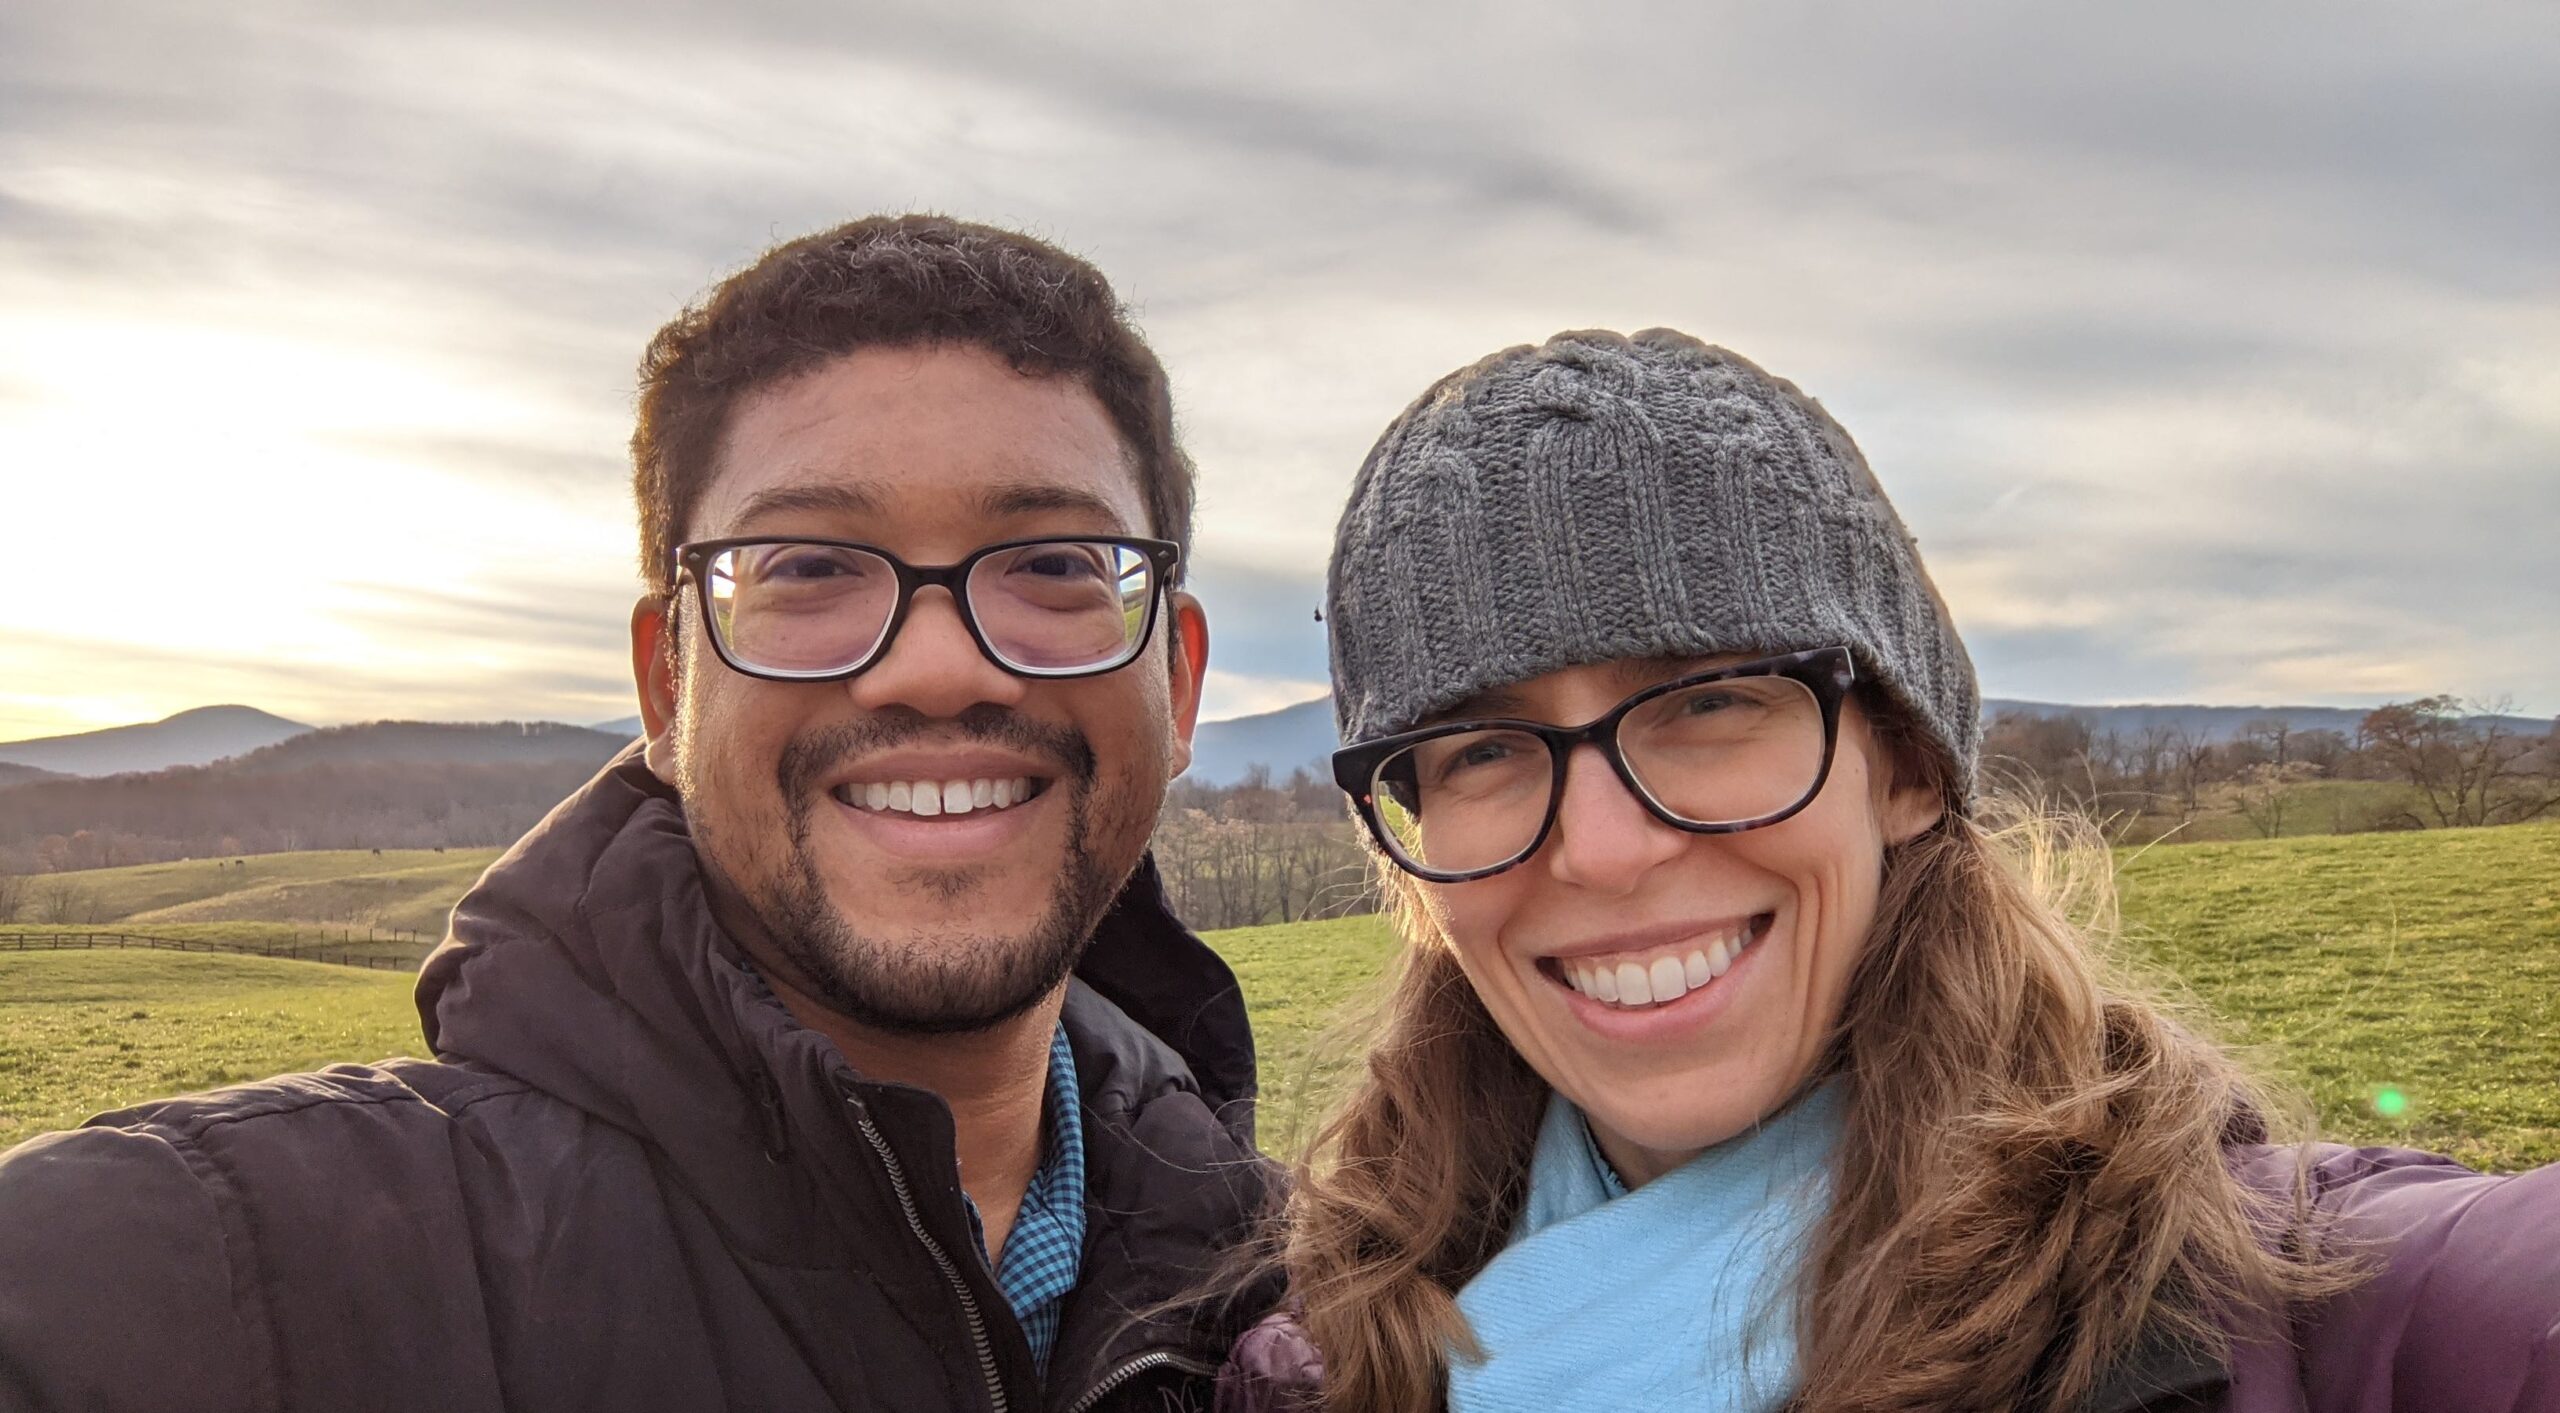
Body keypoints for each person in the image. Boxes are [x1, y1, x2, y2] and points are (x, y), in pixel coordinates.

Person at [0, 215, 1279, 1413]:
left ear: (1176, 676)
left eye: (1055, 562)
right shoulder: (213, 1275)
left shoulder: (1312, 1301)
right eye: (808, 566)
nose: (937, 668)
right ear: (668, 685)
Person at [1216, 329, 2560, 1413]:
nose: (1605, 849)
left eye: (1711, 701)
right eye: (1478, 746)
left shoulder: (2317, 1303)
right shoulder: (1318, 1367)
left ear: (1906, 766)